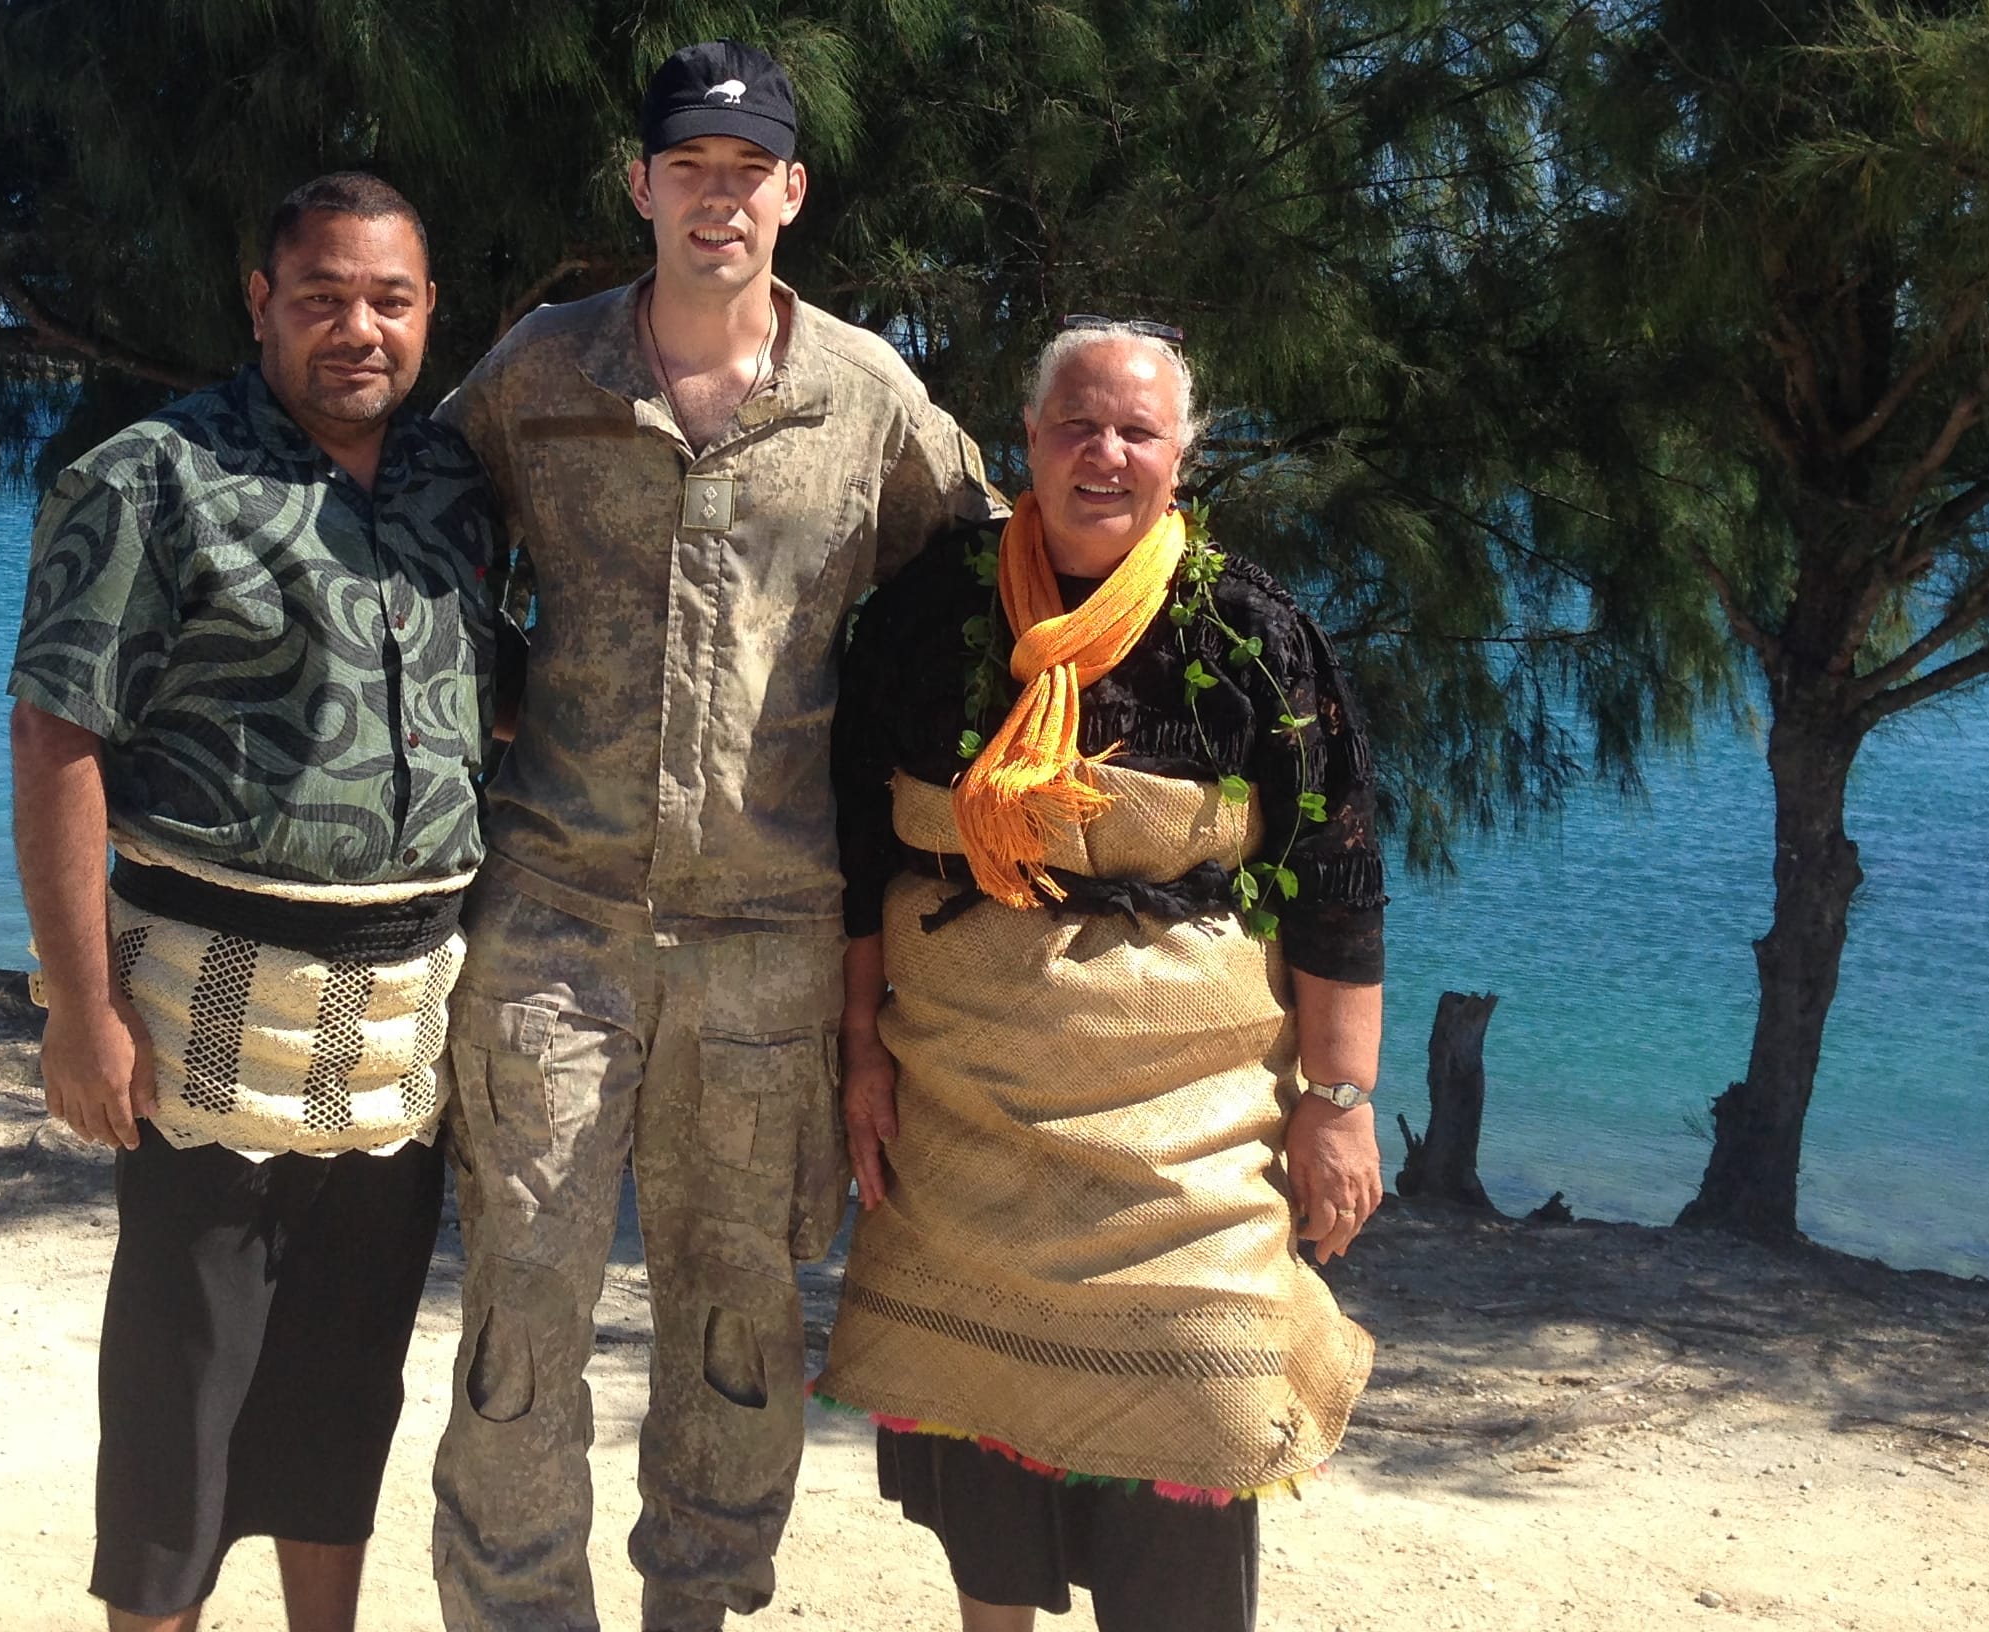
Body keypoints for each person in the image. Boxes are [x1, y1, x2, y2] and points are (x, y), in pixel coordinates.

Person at [428, 38, 1001, 1632]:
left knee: (739, 1321)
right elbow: (409, 540)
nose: (717, 201)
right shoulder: (538, 374)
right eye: (688, 171)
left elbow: (977, 596)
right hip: (554, 915)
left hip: (768, 938)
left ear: (792, 196)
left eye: (748, 176)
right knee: (522, 1307)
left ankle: (698, 1605)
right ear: (640, 187)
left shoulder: (866, 398)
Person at [812, 321, 1388, 1632]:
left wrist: (1338, 1104)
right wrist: (857, 1053)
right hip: (961, 1102)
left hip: (1189, 1133)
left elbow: (1335, 876)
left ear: (1181, 457)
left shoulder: (1254, 635)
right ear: (1026, 441)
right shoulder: (927, 614)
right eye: (1075, 424)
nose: (1103, 452)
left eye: (1135, 431)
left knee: (1200, 1399)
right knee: (979, 1428)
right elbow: (855, 849)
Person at [7, 172, 501, 1632]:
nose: (358, 327)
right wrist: (80, 1009)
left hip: (403, 1022)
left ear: (428, 313)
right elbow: (56, 737)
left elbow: (482, 696)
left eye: (389, 299)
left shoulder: (448, 481)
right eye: (322, 296)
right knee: (183, 1374)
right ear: (259, 302)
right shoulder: (146, 478)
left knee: (345, 1372)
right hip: (203, 1002)